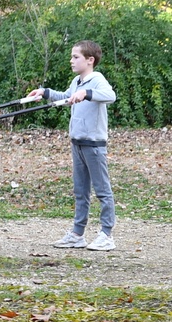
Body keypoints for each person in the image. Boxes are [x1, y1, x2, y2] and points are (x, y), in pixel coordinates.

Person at [30, 41, 118, 252]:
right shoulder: (77, 81)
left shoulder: (97, 80)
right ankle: (77, 234)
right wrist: (45, 92)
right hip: (77, 143)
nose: (71, 60)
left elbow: (111, 96)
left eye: (76, 57)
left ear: (90, 60)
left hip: (94, 145)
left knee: (102, 191)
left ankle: (106, 234)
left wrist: (87, 94)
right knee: (81, 192)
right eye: (72, 56)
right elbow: (66, 97)